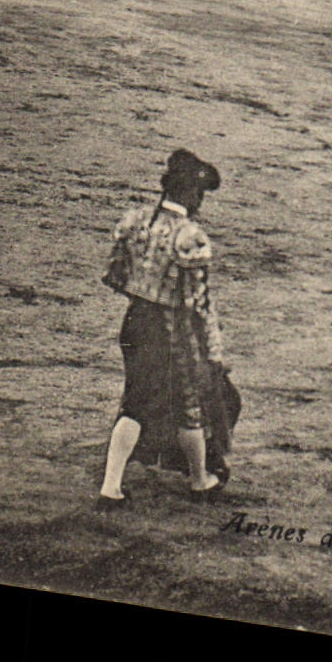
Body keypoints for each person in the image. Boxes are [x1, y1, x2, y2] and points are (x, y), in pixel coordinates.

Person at [97, 150, 239, 508]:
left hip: (134, 322)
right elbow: (200, 306)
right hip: (172, 330)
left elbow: (115, 275)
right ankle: (194, 481)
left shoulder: (137, 221)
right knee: (186, 401)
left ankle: (124, 486)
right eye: (200, 195)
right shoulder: (190, 236)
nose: (200, 203)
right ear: (191, 194)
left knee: (136, 399)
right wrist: (214, 352)